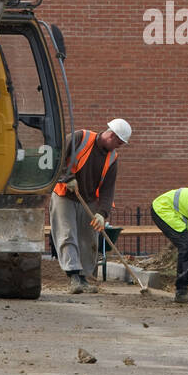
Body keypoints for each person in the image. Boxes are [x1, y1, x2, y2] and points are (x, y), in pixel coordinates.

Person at [50, 118, 130, 294]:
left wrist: (102, 213)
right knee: (67, 234)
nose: (119, 146)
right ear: (111, 134)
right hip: (65, 194)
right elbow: (57, 154)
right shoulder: (81, 137)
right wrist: (67, 177)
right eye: (118, 142)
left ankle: (84, 277)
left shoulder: (112, 159)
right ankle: (74, 277)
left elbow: (108, 189)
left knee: (89, 239)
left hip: (89, 200)